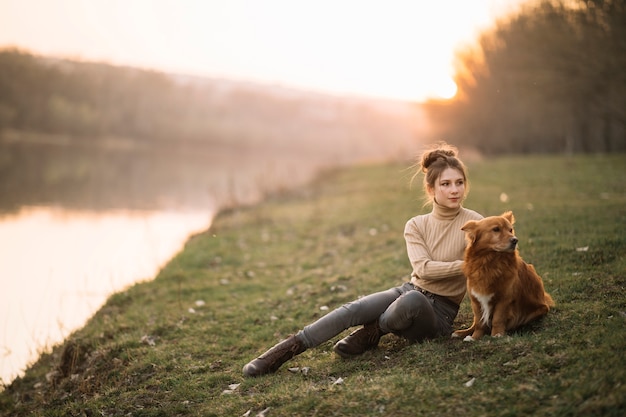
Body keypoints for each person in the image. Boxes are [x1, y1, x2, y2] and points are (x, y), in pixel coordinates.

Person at [242, 142, 483, 377]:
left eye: (459, 183)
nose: (454, 190)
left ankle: (373, 331)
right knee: (353, 309)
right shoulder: (416, 225)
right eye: (446, 184)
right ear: (431, 189)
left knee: (412, 301)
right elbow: (423, 269)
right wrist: (468, 266)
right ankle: (281, 353)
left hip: (438, 313)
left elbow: (494, 260)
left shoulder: (475, 224)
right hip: (410, 289)